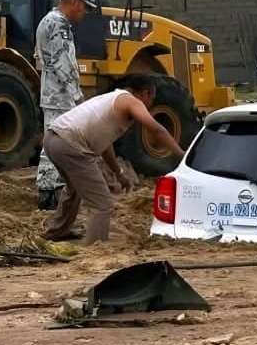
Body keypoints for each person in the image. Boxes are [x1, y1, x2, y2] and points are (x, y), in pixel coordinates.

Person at [44, 75, 185, 243]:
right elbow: (157, 130)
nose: (150, 104)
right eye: (152, 99)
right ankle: (96, 249)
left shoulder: (111, 99)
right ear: (145, 94)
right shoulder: (131, 101)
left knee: (74, 188)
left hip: (52, 139)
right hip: (70, 144)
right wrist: (182, 154)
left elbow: (105, 145)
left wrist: (119, 173)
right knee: (102, 203)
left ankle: (57, 232)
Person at [34, 0, 91, 210]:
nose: (84, 12)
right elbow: (63, 63)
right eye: (84, 7)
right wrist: (78, 97)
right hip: (61, 96)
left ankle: (47, 194)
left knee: (51, 145)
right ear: (76, 3)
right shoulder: (59, 24)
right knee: (62, 145)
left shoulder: (46, 21)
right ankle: (56, 197)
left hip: (51, 94)